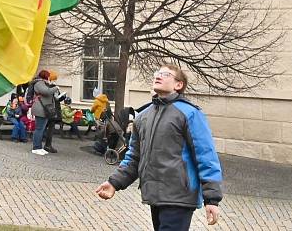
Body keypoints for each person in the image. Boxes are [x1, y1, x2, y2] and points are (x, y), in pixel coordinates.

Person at [95, 64, 223, 230]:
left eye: (166, 74)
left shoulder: (190, 113)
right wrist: (114, 183)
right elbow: (134, 157)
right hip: (154, 195)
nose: (158, 76)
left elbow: (205, 156)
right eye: (157, 73)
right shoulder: (143, 117)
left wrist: (212, 200)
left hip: (179, 196)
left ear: (179, 85)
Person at [29, 70, 58, 155]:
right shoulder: (39, 83)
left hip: (44, 109)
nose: (49, 78)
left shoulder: (43, 83)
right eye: (49, 76)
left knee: (41, 129)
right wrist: (56, 88)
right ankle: (36, 148)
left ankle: (39, 147)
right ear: (46, 76)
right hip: (40, 109)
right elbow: (47, 91)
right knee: (39, 129)